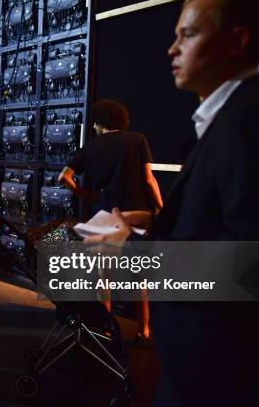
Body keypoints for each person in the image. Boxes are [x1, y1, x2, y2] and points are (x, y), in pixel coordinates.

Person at [89, 0, 259, 404]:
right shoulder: (235, 117)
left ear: (236, 41)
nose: (171, 48)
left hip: (222, 378)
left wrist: (135, 246)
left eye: (188, 34)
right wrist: (151, 219)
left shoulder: (254, 119)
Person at [58, 99, 162, 344]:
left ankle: (106, 329)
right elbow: (149, 180)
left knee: (105, 277)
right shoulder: (138, 140)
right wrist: (161, 208)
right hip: (136, 215)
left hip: (103, 215)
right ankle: (144, 331)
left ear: (98, 122)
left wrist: (86, 195)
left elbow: (65, 177)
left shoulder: (91, 147)